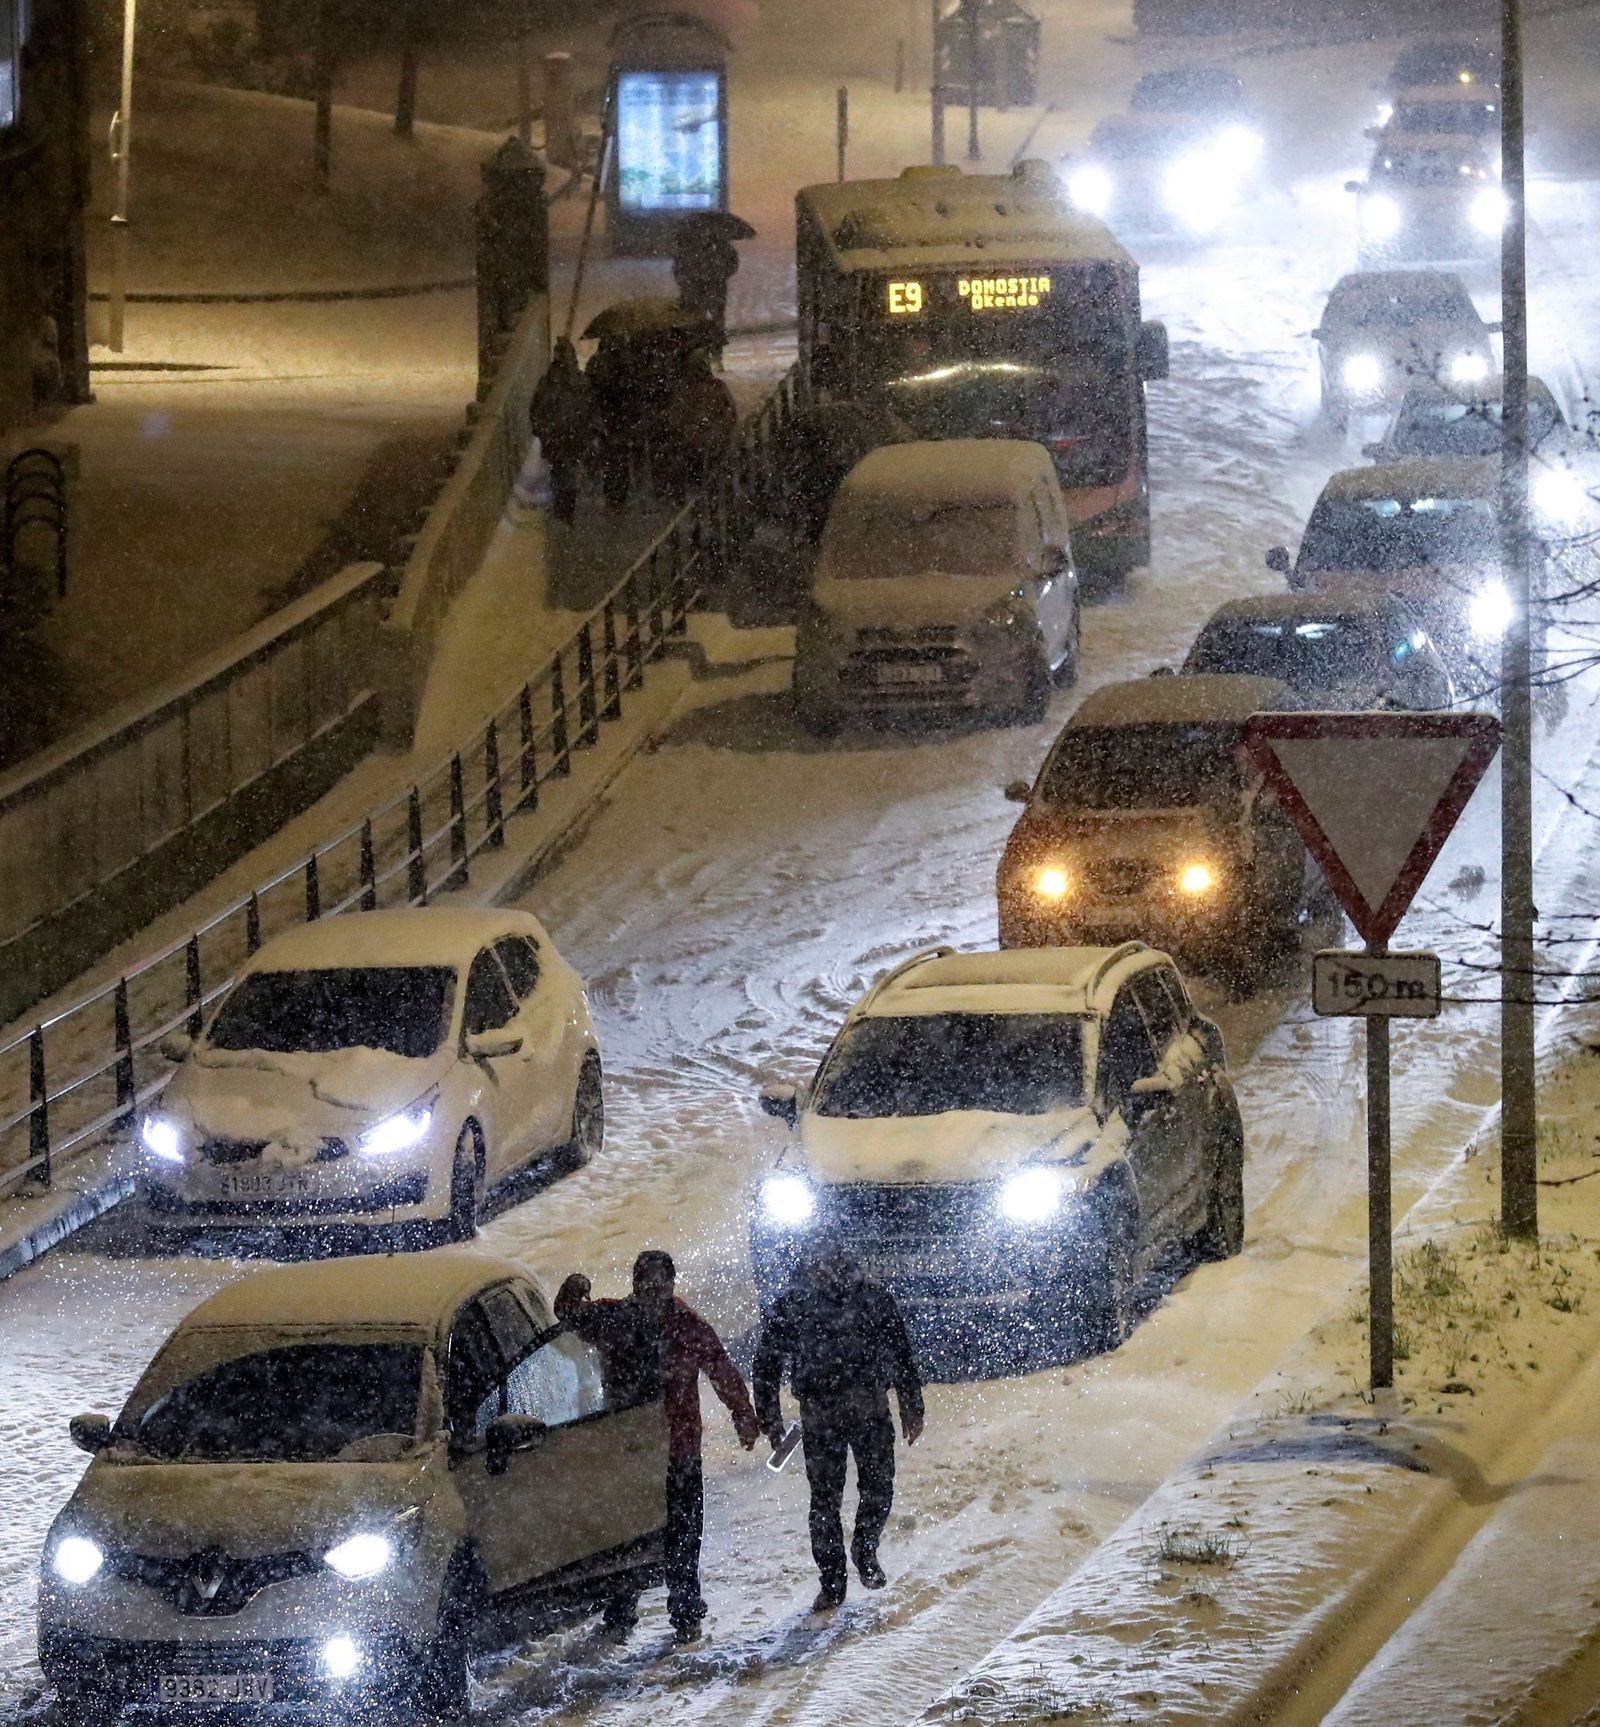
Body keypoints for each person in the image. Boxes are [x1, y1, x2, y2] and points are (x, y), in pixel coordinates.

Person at [555, 1250, 762, 1641]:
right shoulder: (614, 1318)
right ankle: (622, 1611)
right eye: (645, 1284)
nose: (652, 1292)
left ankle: (684, 1613)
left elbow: (721, 1369)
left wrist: (742, 1413)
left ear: (671, 1285)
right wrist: (576, 1286)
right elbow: (568, 1314)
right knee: (627, 1536)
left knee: (680, 1535)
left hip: (676, 1450)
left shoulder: (686, 1325)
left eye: (659, 1284)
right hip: (631, 1450)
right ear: (635, 1284)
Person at [752, 1245, 924, 1613]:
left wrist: (912, 1404)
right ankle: (832, 1581)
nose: (831, 1272)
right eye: (823, 1263)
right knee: (825, 1502)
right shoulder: (794, 1305)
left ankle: (865, 1548)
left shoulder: (874, 1299)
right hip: (820, 1416)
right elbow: (766, 1362)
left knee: (878, 1488)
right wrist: (768, 1415)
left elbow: (901, 1354)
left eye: (837, 1263)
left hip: (870, 1410)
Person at [527, 337, 597, 524]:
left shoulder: (550, 382)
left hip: (558, 436)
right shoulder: (578, 381)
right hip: (570, 435)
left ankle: (562, 509)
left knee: (561, 471)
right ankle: (565, 509)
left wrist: (542, 429)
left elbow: (537, 408)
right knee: (567, 471)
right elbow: (589, 407)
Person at [654, 348, 736, 504]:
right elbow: (731, 414)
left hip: (694, 443)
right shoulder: (717, 387)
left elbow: (675, 418)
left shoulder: (686, 391)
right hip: (712, 442)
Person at [671, 216, 742, 361]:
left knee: (711, 316)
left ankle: (712, 348)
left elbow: (679, 268)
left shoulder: (694, 248)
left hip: (709, 287)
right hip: (706, 287)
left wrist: (717, 274)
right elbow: (679, 268)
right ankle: (709, 348)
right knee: (705, 317)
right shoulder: (719, 247)